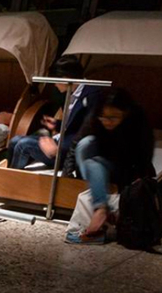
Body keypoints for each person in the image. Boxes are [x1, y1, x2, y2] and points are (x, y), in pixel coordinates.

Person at [65, 88, 156, 244]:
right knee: (86, 144)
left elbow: (145, 152)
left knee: (93, 163)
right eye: (104, 117)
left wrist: (136, 182)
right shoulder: (96, 116)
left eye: (113, 117)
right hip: (98, 163)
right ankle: (100, 209)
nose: (107, 121)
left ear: (125, 113)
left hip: (125, 166)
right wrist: (67, 174)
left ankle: (100, 210)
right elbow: (76, 142)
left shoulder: (137, 120)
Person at [7, 54, 104, 174]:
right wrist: (57, 124)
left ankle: (11, 185)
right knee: (15, 140)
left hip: (68, 150)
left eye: (56, 80)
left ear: (66, 78)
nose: (55, 84)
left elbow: (88, 131)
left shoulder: (91, 95)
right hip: (62, 141)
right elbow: (75, 125)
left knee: (23, 144)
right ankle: (5, 180)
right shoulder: (72, 93)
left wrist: (58, 148)